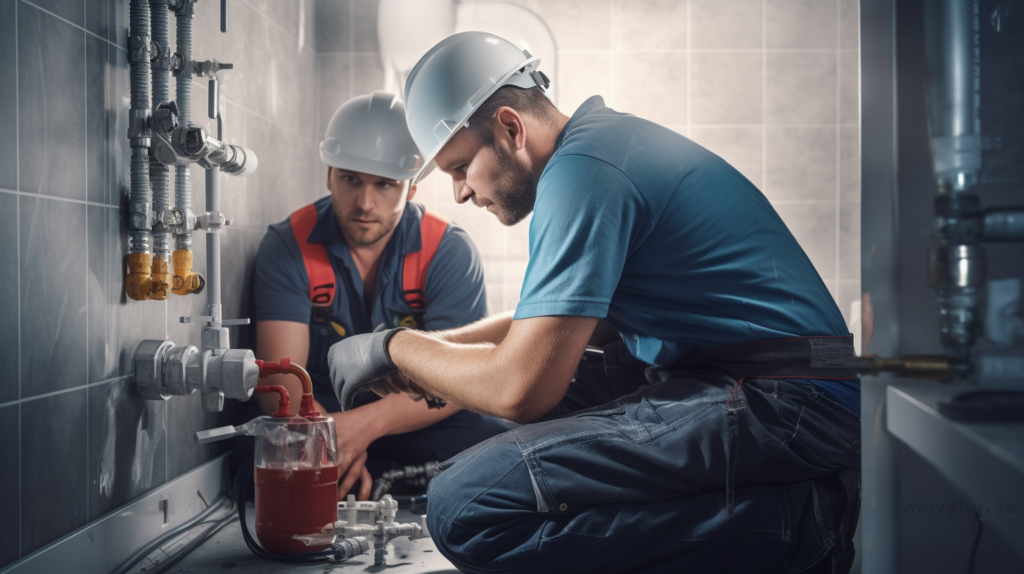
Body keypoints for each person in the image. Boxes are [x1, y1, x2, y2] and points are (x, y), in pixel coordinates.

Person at [328, 33, 861, 573]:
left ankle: (799, 524)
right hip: (760, 381)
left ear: (511, 128)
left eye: (460, 167)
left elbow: (521, 387)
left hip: (791, 401)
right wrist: (423, 355)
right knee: (515, 426)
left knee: (461, 507)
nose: (460, 192)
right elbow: (543, 332)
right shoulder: (597, 149)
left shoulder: (584, 173)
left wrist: (393, 348)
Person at [251, 90, 507, 501]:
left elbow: (459, 379)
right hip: (319, 417)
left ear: (411, 189)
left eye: (385, 185)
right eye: (351, 179)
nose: (365, 203)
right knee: (253, 450)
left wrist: (362, 428)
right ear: (329, 175)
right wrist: (325, 438)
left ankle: (364, 479)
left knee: (497, 440)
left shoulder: (447, 251)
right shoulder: (288, 245)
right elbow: (282, 383)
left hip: (411, 418)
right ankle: (387, 480)